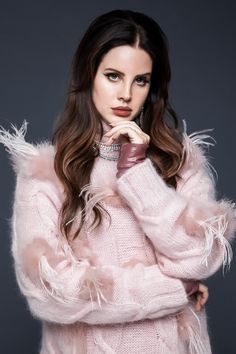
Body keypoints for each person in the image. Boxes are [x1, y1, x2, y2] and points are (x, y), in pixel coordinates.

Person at [0, 9, 235, 354]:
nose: (126, 93)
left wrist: (136, 170)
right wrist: (174, 289)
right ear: (89, 75)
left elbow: (201, 259)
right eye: (113, 76)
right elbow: (49, 291)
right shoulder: (47, 174)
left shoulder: (179, 162)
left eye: (140, 80)